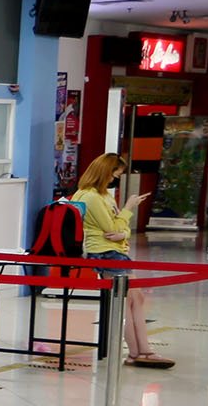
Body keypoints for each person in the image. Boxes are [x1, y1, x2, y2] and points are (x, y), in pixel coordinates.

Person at [73, 153, 173, 367]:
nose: (114, 179)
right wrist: (128, 209)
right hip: (106, 252)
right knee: (126, 301)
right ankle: (138, 352)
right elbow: (113, 228)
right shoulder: (90, 197)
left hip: (114, 250)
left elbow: (120, 230)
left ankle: (141, 350)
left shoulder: (102, 196)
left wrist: (123, 232)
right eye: (114, 174)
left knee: (136, 299)